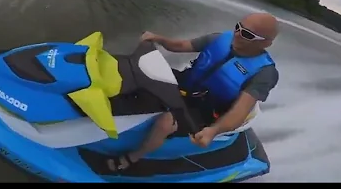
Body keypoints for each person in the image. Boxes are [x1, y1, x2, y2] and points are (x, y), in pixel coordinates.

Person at [107, 12, 280, 172]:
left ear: (266, 43)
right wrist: (158, 38)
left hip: (205, 110)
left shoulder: (264, 73)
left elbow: (240, 111)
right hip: (184, 84)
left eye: (247, 34)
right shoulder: (220, 38)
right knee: (140, 72)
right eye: (238, 27)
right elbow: (182, 45)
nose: (237, 34)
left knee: (165, 122)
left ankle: (133, 157)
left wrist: (213, 131)